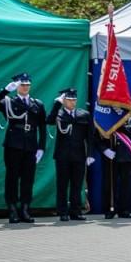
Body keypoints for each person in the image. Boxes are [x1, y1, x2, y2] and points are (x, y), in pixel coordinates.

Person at [0, 73, 46, 224]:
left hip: (30, 145)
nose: (25, 87)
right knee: (12, 178)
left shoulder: (37, 104)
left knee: (28, 179)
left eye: (27, 84)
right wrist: (5, 90)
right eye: (22, 84)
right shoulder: (9, 102)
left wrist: (41, 148)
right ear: (17, 86)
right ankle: (12, 209)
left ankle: (25, 209)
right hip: (13, 145)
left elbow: (42, 128)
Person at [47, 89, 94, 221]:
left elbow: (90, 135)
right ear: (64, 101)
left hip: (79, 155)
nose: (72, 102)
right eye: (69, 100)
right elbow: (49, 121)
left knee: (77, 185)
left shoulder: (84, 114)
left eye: (74, 100)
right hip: (62, 155)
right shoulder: (59, 114)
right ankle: (62, 211)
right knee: (62, 184)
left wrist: (90, 154)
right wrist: (57, 104)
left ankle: (76, 211)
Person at [96, 113, 131, 221]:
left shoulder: (130, 117)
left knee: (126, 185)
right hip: (110, 156)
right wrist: (104, 150)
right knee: (109, 184)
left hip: (125, 156)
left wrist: (118, 123)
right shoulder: (105, 116)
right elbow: (96, 136)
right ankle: (110, 209)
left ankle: (125, 210)